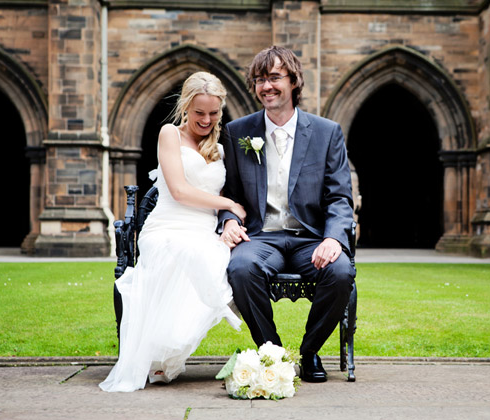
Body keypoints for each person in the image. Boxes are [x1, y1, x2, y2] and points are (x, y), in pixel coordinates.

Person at [100, 72, 245, 392]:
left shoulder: (221, 149)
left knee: (219, 257)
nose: (206, 120)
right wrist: (229, 204)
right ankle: (159, 355)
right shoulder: (169, 134)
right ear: (185, 108)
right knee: (186, 253)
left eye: (213, 113)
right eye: (199, 113)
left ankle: (169, 353)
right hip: (167, 224)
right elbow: (179, 191)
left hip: (204, 228)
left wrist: (230, 219)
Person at [218, 46, 355, 383]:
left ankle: (309, 353)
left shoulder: (327, 132)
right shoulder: (238, 131)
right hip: (261, 237)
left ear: (294, 82)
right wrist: (229, 220)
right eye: (260, 80)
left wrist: (334, 238)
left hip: (311, 238)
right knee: (241, 267)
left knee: (340, 272)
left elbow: (340, 196)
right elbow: (229, 193)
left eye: (275, 78)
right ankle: (273, 353)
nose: (267, 86)